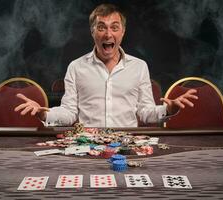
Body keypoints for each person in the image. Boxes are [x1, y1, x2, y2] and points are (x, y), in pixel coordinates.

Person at [14, 3, 198, 127]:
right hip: (88, 146)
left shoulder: (139, 66)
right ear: (92, 32)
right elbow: (69, 113)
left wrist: (170, 109)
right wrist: (43, 114)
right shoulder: (76, 67)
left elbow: (145, 112)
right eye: (101, 27)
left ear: (123, 32)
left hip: (128, 145)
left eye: (114, 27)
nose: (108, 34)